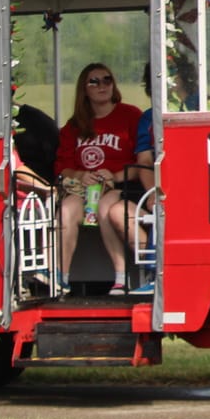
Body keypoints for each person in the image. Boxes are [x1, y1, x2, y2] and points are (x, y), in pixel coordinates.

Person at [55, 62, 142, 292]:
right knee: (65, 210)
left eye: (107, 80)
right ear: (84, 89)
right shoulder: (74, 126)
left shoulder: (130, 116)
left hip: (121, 186)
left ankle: (121, 277)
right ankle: (61, 279)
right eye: (94, 81)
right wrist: (81, 175)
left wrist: (113, 176)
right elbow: (62, 168)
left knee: (105, 205)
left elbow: (141, 162)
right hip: (84, 189)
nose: (102, 85)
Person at [99, 66, 158, 294]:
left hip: (190, 188)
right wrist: (153, 191)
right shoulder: (147, 119)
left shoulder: (195, 105)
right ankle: (151, 272)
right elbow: (144, 160)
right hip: (155, 187)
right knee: (117, 212)